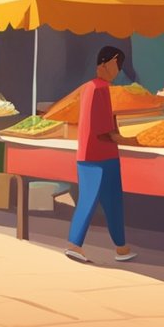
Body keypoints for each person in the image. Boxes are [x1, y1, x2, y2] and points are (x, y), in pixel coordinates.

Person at [65, 46, 138, 264]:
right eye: (119, 64)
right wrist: (129, 140)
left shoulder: (88, 87)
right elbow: (105, 129)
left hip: (92, 154)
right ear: (108, 62)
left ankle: (122, 248)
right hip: (99, 156)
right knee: (89, 200)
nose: (119, 70)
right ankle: (73, 244)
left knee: (113, 202)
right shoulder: (103, 89)